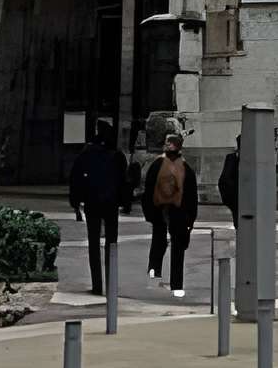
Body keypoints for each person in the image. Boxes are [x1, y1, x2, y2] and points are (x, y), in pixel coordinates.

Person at [67, 118, 132, 295]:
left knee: (93, 242)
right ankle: (111, 281)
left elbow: (76, 178)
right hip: (110, 203)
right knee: (112, 242)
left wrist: (75, 202)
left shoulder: (87, 153)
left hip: (92, 202)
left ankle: (97, 284)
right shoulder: (116, 155)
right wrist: (125, 203)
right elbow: (124, 182)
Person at [142, 129, 200, 297]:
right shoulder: (186, 168)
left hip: (160, 209)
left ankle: (154, 269)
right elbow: (191, 195)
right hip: (179, 212)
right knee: (178, 248)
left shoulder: (157, 164)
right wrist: (191, 219)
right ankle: (177, 284)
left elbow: (148, 190)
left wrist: (149, 213)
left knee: (158, 238)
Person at [218, 140, 240, 218]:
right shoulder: (231, 158)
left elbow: (223, 181)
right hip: (236, 200)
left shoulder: (231, 158)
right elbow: (224, 181)